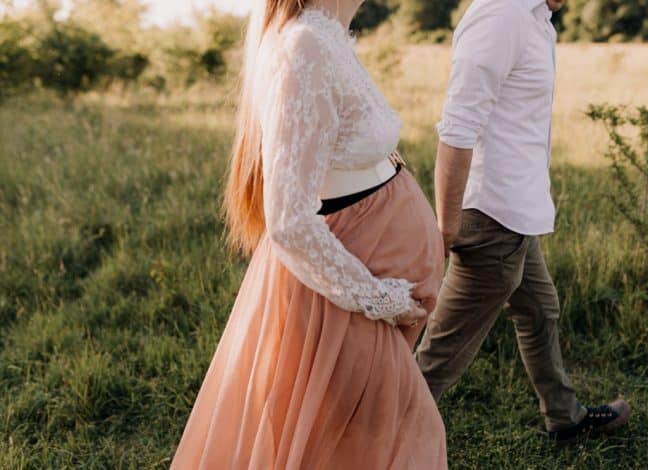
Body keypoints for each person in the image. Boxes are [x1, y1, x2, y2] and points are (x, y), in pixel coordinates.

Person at [170, 0, 447, 468]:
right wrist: (376, 296)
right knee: (401, 430)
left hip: (364, 274)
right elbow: (288, 220)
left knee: (348, 439)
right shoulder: (305, 47)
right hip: (342, 293)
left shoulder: (328, 36)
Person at [415, 0, 631, 444]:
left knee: (539, 310)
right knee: (439, 355)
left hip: (516, 214)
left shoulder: (535, 18)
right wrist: (446, 229)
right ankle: (371, 439)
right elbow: (456, 128)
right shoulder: (502, 14)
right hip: (490, 220)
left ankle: (565, 419)